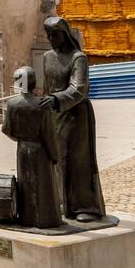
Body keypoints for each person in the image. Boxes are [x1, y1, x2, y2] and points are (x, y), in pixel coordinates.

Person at [39, 15, 106, 222]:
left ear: (65, 34)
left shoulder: (79, 58)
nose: (51, 39)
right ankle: (61, 203)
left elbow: (79, 89)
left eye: (55, 35)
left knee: (78, 162)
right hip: (55, 115)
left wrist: (56, 99)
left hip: (77, 116)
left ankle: (84, 206)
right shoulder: (47, 57)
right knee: (57, 160)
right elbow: (47, 86)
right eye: (48, 35)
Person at [1, 66, 63, 230]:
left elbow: (6, 129)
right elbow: (48, 133)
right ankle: (46, 219)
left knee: (26, 184)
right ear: (34, 83)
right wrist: (54, 154)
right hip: (41, 150)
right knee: (44, 185)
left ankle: (28, 218)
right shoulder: (42, 104)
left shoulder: (13, 103)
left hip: (23, 149)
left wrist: (20, 139)